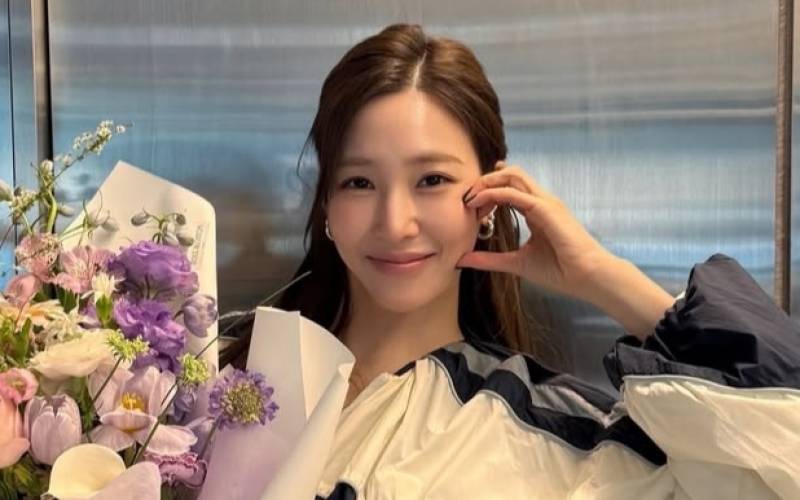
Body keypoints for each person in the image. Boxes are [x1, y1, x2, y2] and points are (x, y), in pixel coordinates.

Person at [221, 23, 800, 499]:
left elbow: (778, 459)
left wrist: (601, 276)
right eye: (359, 182)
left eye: (431, 179)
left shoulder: (568, 437)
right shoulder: (210, 375)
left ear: (490, 197)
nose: (395, 223)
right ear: (327, 201)